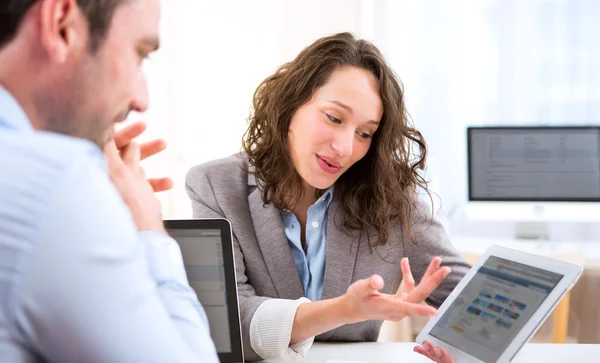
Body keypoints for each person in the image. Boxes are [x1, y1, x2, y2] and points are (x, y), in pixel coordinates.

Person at [186, 32, 471, 362]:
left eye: (364, 133)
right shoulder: (215, 185)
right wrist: (344, 310)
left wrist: (465, 352)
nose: (346, 148)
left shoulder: (390, 196)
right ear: (291, 103)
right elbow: (226, 320)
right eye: (334, 118)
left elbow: (469, 299)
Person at [0, 0, 219, 362]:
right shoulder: (58, 183)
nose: (141, 99)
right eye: (140, 54)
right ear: (62, 25)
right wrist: (149, 228)